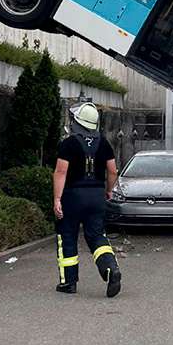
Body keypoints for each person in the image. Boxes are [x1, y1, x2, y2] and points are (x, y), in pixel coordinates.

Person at [53, 101, 122, 297]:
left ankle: (69, 283)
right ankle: (111, 269)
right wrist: (109, 191)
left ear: (77, 122)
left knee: (67, 236)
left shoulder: (68, 143)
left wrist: (57, 199)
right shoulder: (104, 143)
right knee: (97, 236)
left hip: (72, 197)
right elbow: (113, 171)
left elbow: (60, 172)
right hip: (96, 196)